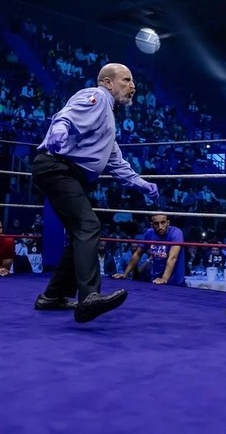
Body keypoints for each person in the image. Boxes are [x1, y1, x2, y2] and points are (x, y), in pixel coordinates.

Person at [32, 63, 160, 323]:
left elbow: (115, 162)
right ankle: (89, 296)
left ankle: (53, 296)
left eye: (132, 81)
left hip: (66, 173)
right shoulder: (98, 96)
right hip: (59, 168)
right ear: (108, 82)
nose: (133, 86)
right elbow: (67, 115)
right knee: (89, 225)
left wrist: (141, 184)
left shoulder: (107, 117)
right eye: (126, 80)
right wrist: (58, 130)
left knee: (81, 233)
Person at [112, 213, 184, 285]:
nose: (160, 226)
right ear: (152, 224)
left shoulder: (176, 233)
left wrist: (164, 279)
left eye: (163, 222)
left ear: (168, 223)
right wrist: (125, 274)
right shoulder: (149, 233)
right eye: (156, 223)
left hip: (174, 281)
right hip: (156, 279)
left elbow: (172, 258)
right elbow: (138, 254)